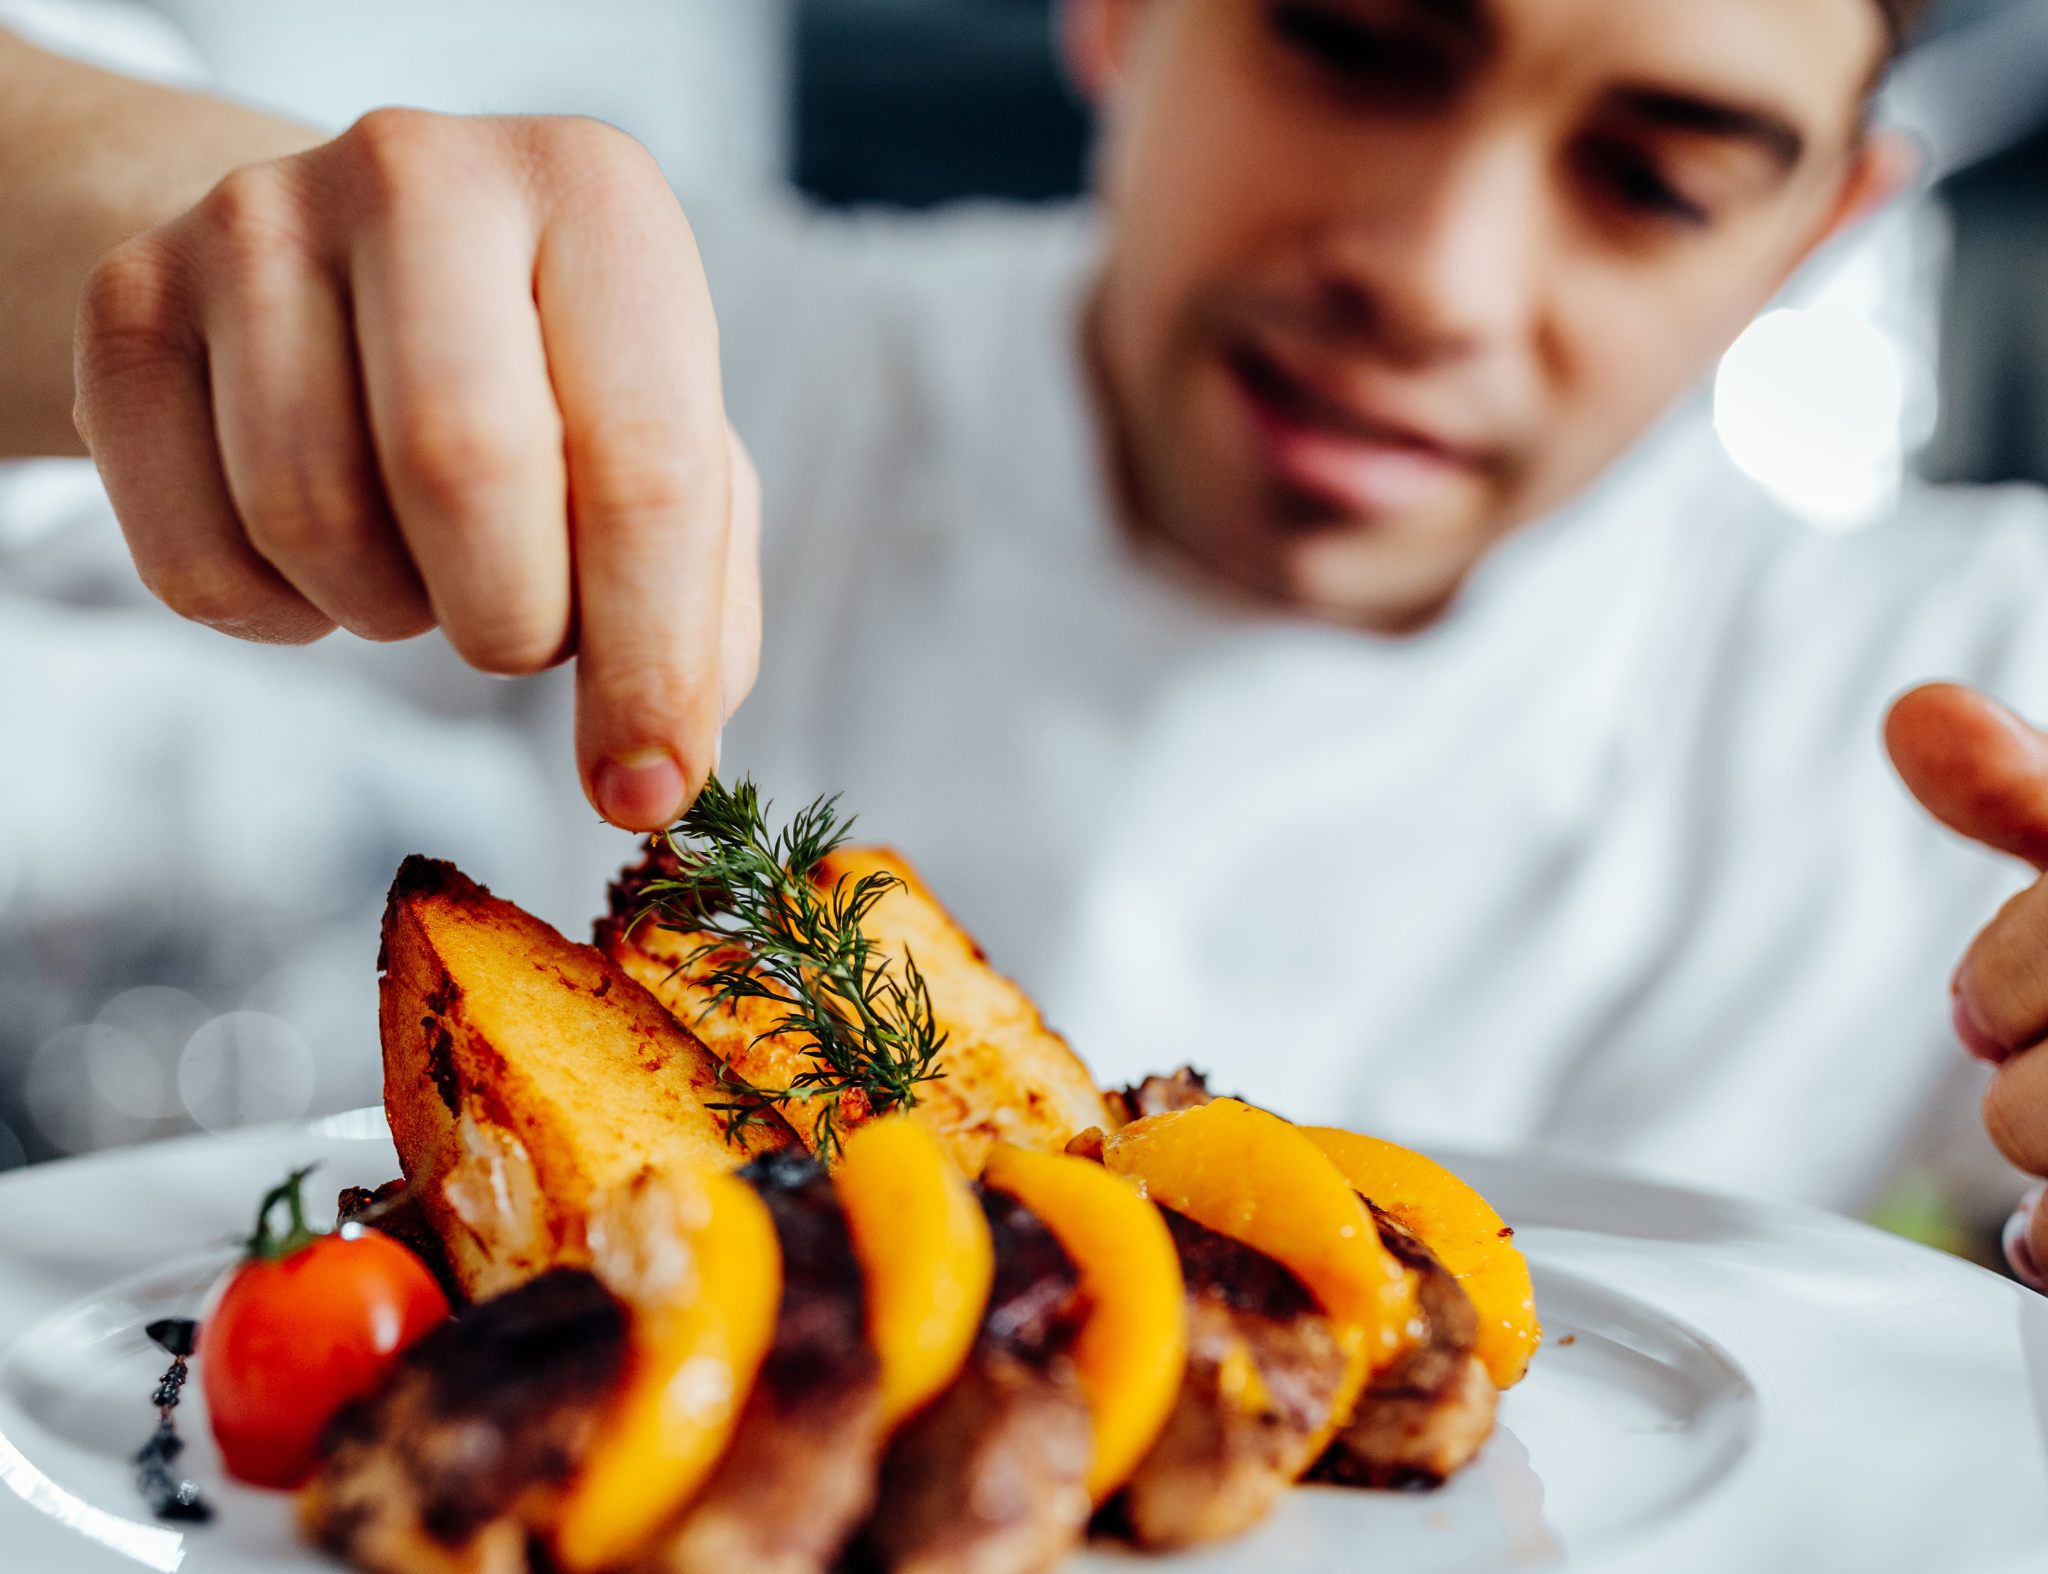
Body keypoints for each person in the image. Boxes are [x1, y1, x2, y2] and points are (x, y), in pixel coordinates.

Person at [7, 0, 2048, 1243]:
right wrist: (222, 237)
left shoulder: (1959, 675)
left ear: (1821, 225)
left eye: (1656, 179)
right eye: (1348, 43)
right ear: (1124, 8)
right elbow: (115, 218)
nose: (1431, 275)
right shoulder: (750, 364)